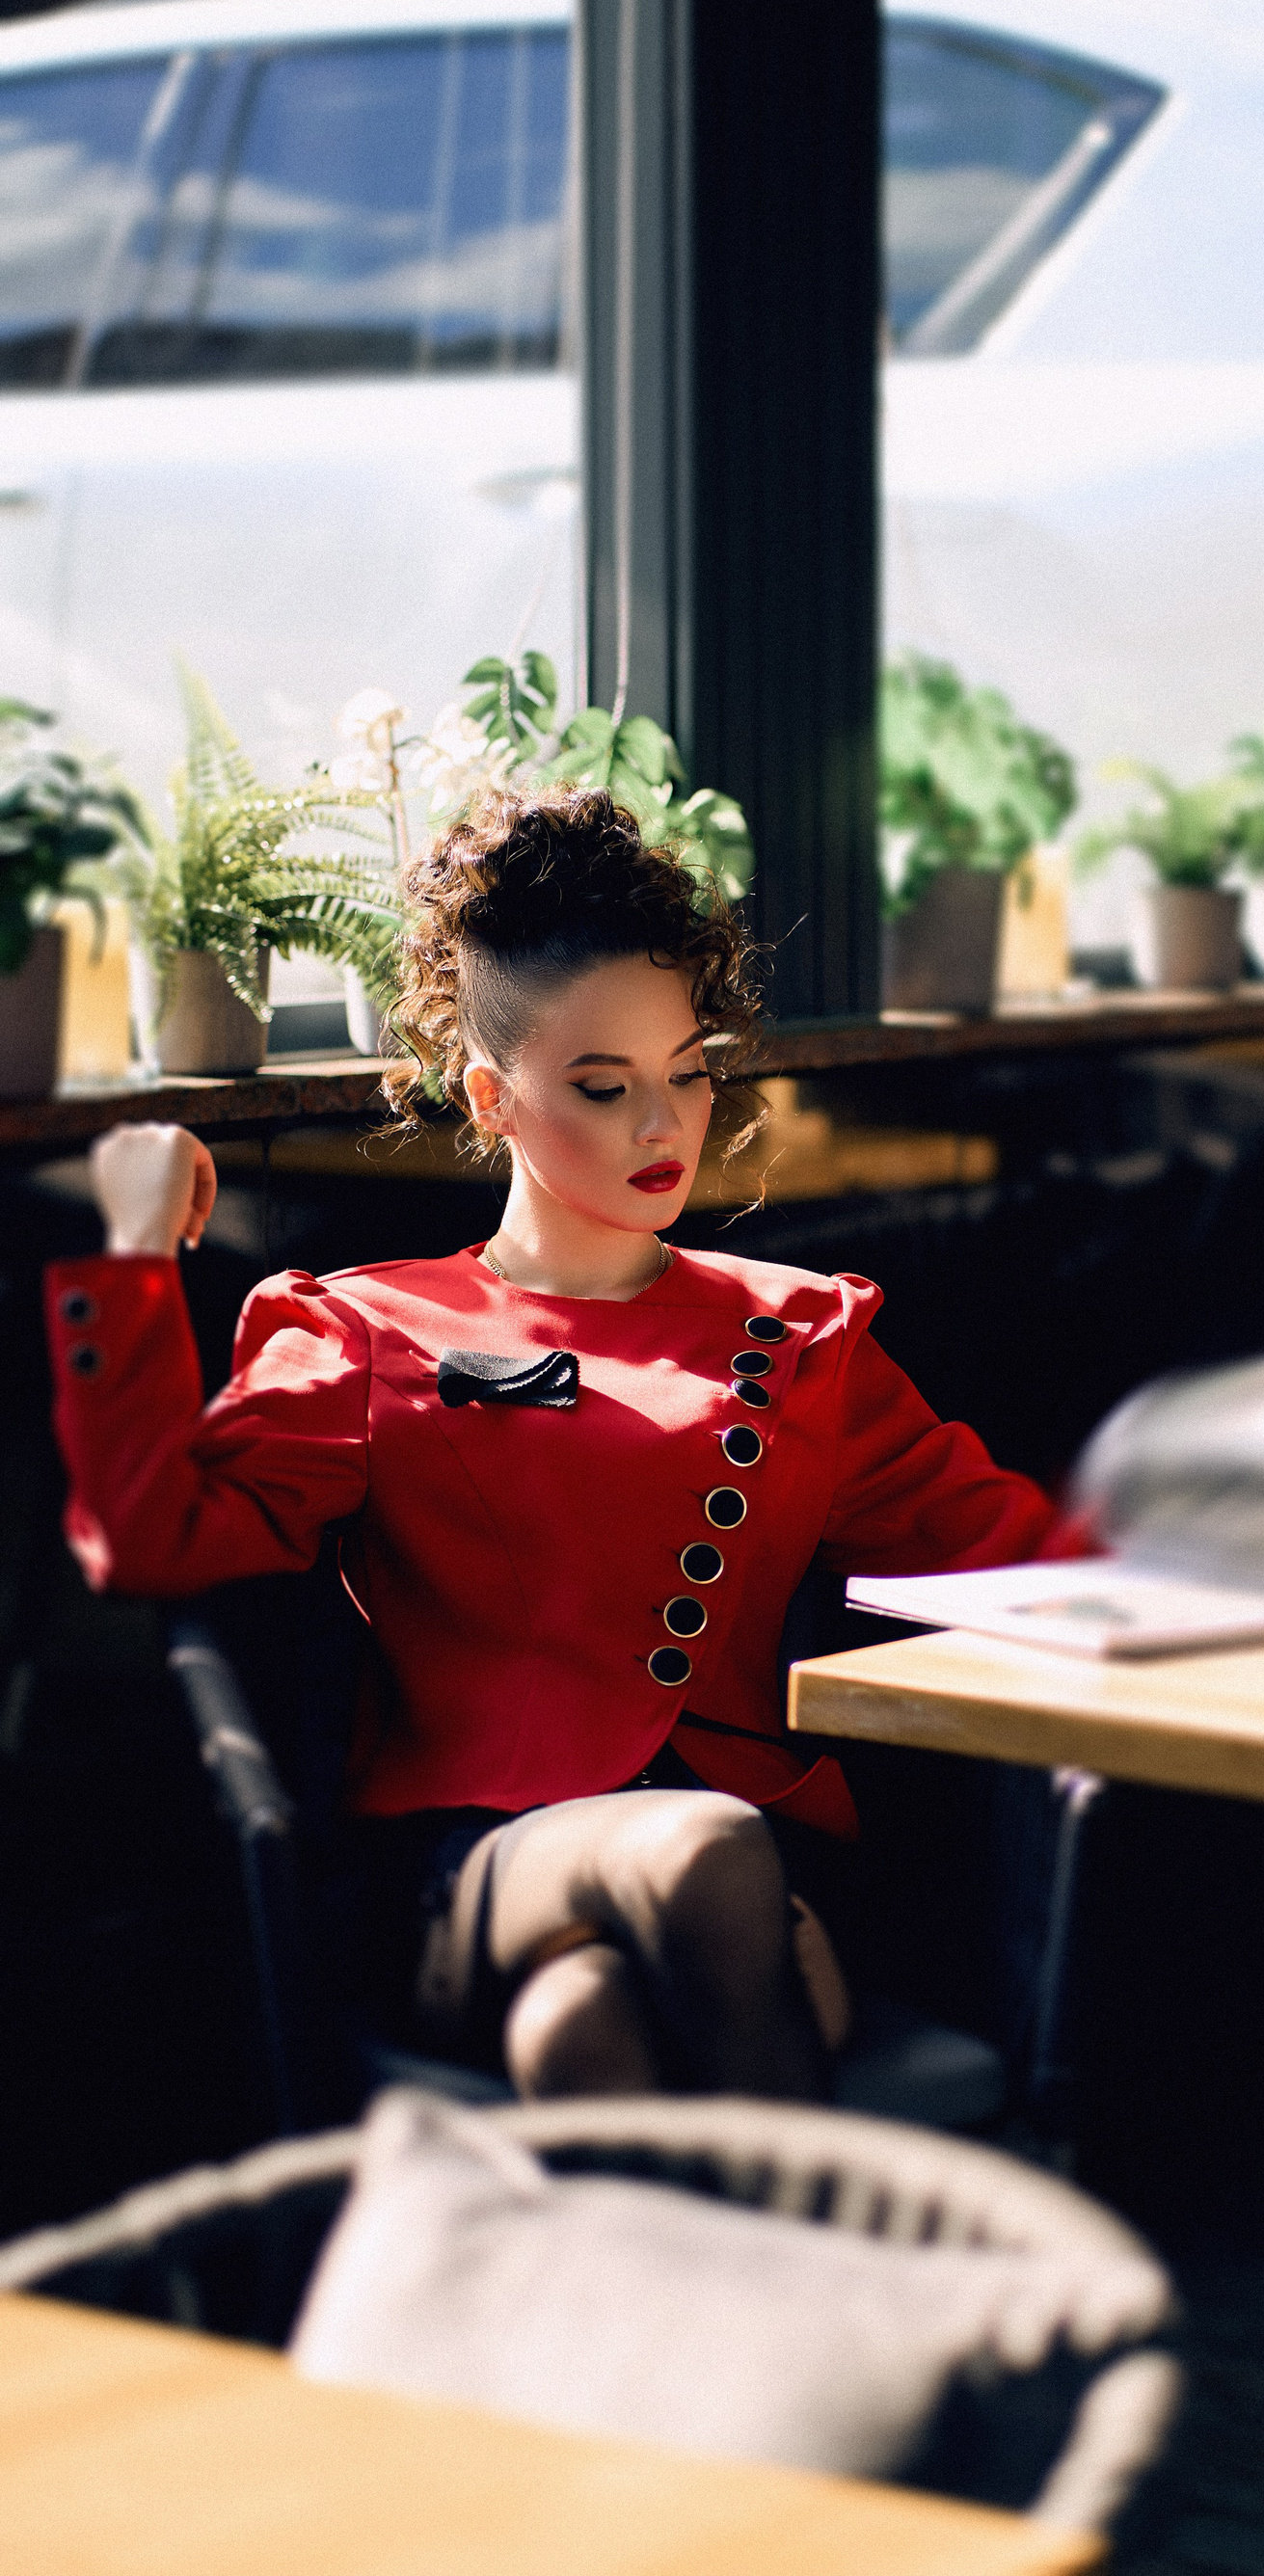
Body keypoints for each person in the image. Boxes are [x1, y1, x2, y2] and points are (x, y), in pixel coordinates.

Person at [44, 787, 1062, 2103]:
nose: (664, 1126)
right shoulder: (363, 1328)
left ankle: (673, 2239)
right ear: (494, 1097)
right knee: (700, 1860)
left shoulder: (801, 1335)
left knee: (583, 2022)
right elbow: (150, 1539)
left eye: (688, 1072)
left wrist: (1236, 1539)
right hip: (479, 1857)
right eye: (603, 1086)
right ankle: (832, 2229)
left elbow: (1013, 1551)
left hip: (742, 1862)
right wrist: (132, 1257)